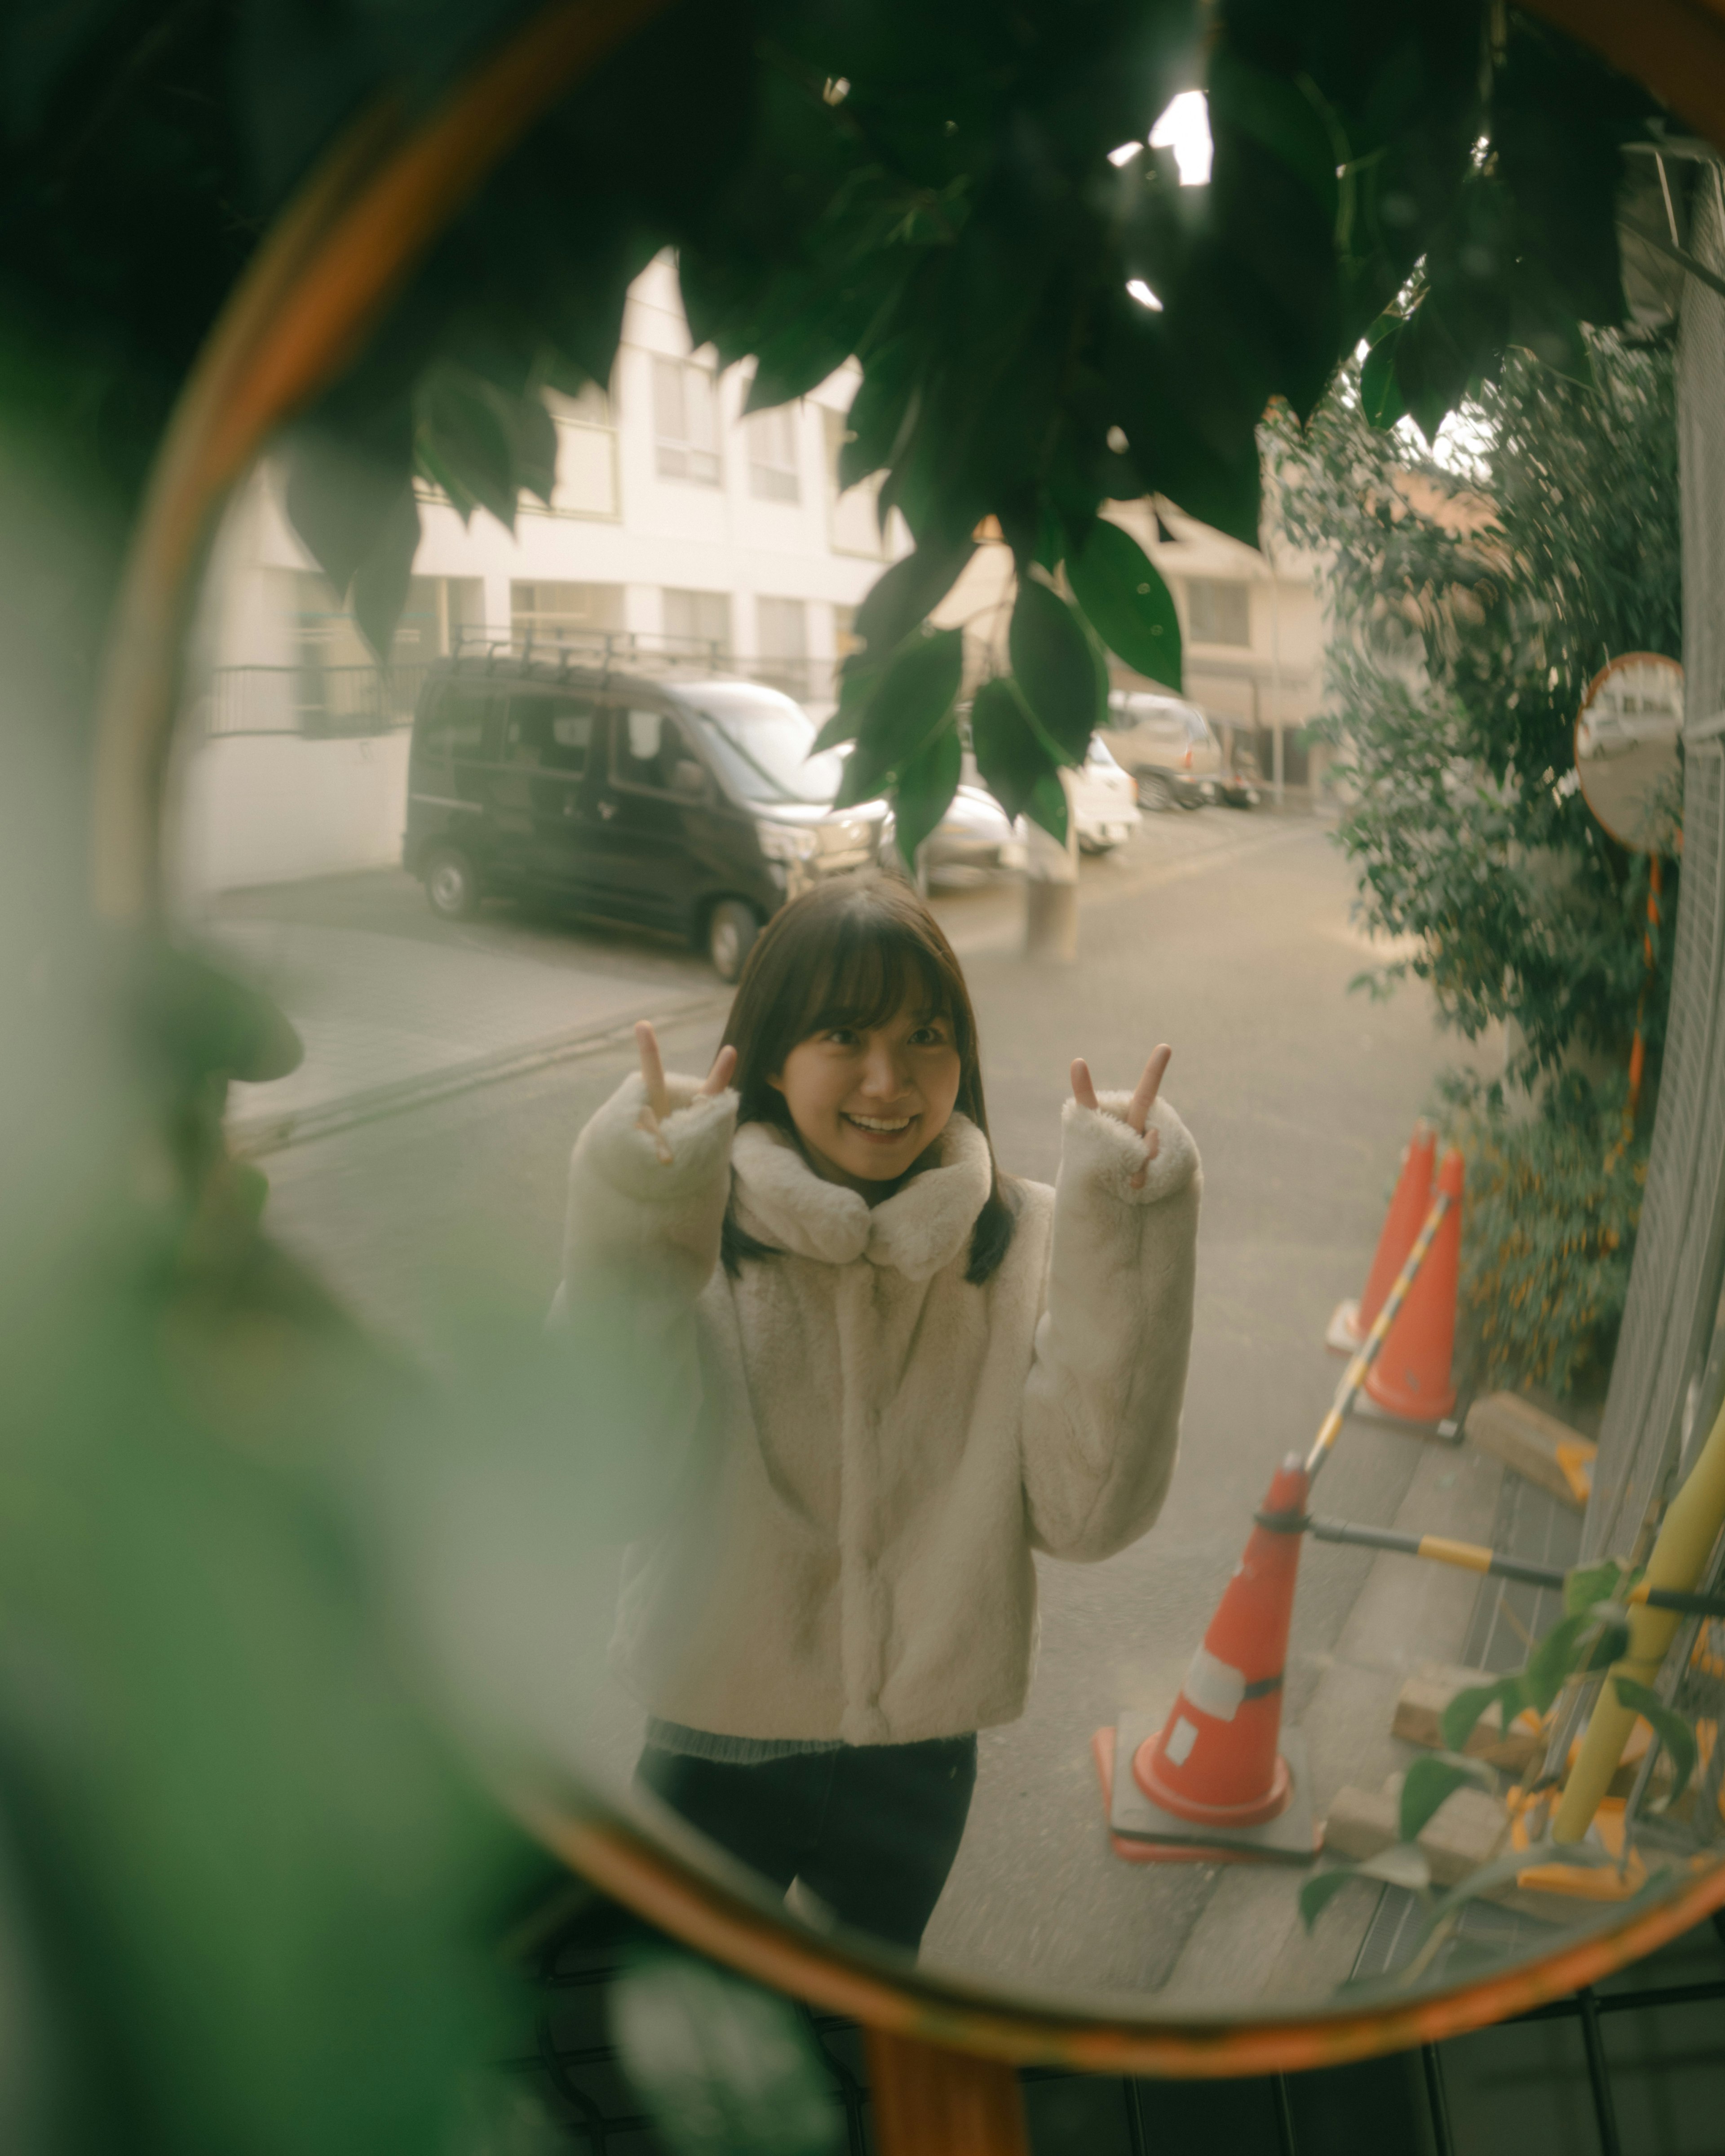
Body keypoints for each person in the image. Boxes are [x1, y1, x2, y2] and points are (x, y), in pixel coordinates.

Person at [555, 874, 1200, 1953]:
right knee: (677, 2056)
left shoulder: (1022, 1240)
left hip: (919, 1760)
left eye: (927, 1035)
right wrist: (636, 1228)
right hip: (715, 1739)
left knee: (864, 2042)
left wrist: (1125, 1244)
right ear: (771, 1052)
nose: (890, 1080)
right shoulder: (690, 1221)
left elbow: (1087, 1516)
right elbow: (602, 1485)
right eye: (844, 1033)